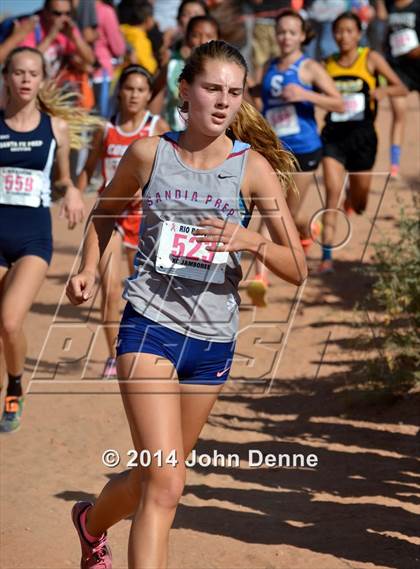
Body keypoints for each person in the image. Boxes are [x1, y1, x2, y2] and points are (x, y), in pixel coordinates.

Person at [66, 40, 307, 569]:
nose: (223, 102)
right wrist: (86, 269)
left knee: (149, 478)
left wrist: (250, 242)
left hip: (213, 342)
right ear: (185, 90)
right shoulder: (150, 155)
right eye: (212, 88)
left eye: (234, 92)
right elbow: (104, 215)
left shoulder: (253, 169)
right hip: (150, 326)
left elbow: (298, 267)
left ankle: (89, 523)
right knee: (168, 484)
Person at [0, 47, 98, 433]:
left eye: (33, 73)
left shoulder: (54, 127)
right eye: (18, 72)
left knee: (9, 322)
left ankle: (15, 385)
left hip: (32, 240)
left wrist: (72, 189)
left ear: (42, 79)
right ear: (7, 77)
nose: (25, 79)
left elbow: (62, 177)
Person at [247, 8, 343, 305]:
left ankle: (307, 229)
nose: (285, 37)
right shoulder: (267, 66)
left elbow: (339, 103)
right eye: (281, 32)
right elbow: (258, 98)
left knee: (288, 214)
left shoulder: (310, 67)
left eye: (291, 32)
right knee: (270, 209)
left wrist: (306, 96)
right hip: (274, 149)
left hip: (304, 150)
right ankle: (259, 278)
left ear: (302, 36)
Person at [77, 64, 168, 379]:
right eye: (129, 88)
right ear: (119, 92)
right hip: (113, 217)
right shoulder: (106, 129)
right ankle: (113, 355)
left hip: (146, 220)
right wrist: (76, 193)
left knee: (148, 289)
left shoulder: (156, 126)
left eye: (141, 90)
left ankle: (151, 349)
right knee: (110, 290)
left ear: (148, 96)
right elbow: (89, 168)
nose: (134, 95)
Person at [319, 11, 408, 273]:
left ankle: (353, 198)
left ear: (359, 33)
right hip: (334, 136)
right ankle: (326, 257)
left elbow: (401, 87)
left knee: (360, 204)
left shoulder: (370, 59)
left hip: (363, 138)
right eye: (338, 31)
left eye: (349, 30)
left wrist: (383, 91)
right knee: (331, 193)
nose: (343, 36)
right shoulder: (326, 64)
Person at [377, 0, 420, 177]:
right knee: (398, 113)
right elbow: (382, 20)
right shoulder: (390, 4)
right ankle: (394, 166)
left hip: (418, 66)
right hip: (398, 68)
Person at [164, 14, 220, 129]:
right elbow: (154, 93)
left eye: (209, 36)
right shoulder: (174, 63)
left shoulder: (225, 70)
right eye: (195, 35)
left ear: (219, 39)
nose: (202, 41)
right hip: (174, 131)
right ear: (187, 38)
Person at [18, 0, 95, 79]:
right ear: (46, 12)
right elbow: (27, 61)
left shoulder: (67, 27)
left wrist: (73, 37)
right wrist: (50, 37)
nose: (63, 18)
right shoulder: (32, 26)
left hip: (55, 85)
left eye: (67, 14)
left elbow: (90, 60)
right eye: (57, 14)